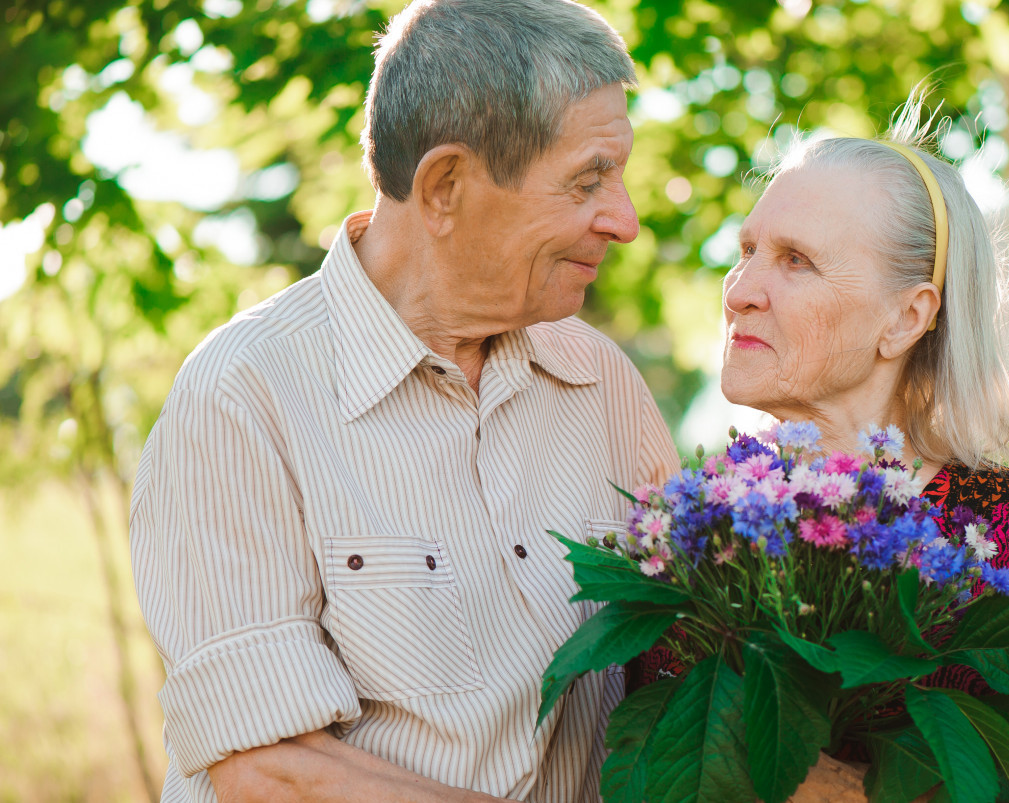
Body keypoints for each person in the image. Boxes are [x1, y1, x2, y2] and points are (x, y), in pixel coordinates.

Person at [129, 1, 678, 801]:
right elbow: (272, 766)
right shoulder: (245, 394)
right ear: (445, 185)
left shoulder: (601, 382)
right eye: (587, 181)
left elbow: (688, 659)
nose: (623, 221)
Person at [636, 103, 1009, 802]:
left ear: (906, 317)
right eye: (746, 252)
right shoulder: (703, 528)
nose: (739, 292)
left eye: (794, 260)